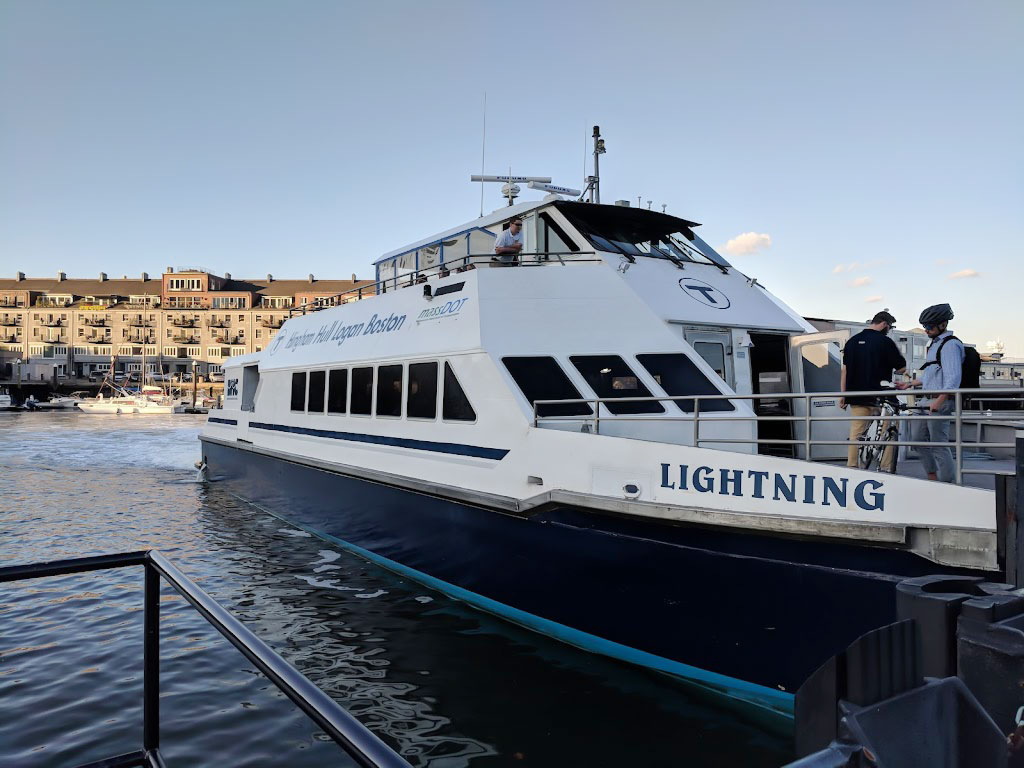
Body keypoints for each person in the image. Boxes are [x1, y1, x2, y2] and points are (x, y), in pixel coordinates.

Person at [895, 303, 963, 482]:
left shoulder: (950, 345)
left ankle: (948, 484)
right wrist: (909, 384)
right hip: (926, 400)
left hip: (938, 401)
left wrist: (939, 401)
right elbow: (932, 376)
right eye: (925, 326)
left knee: (938, 444)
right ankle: (932, 476)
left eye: (929, 326)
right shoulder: (934, 345)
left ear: (943, 324)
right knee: (917, 440)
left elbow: (953, 378)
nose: (926, 330)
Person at [840, 310, 907, 471]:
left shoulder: (852, 342)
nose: (889, 330)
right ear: (884, 324)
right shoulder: (885, 342)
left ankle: (853, 467)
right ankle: (885, 467)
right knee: (888, 430)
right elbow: (902, 368)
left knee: (856, 433)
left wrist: (843, 395)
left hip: (857, 396)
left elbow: (845, 370)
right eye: (889, 327)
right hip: (882, 397)